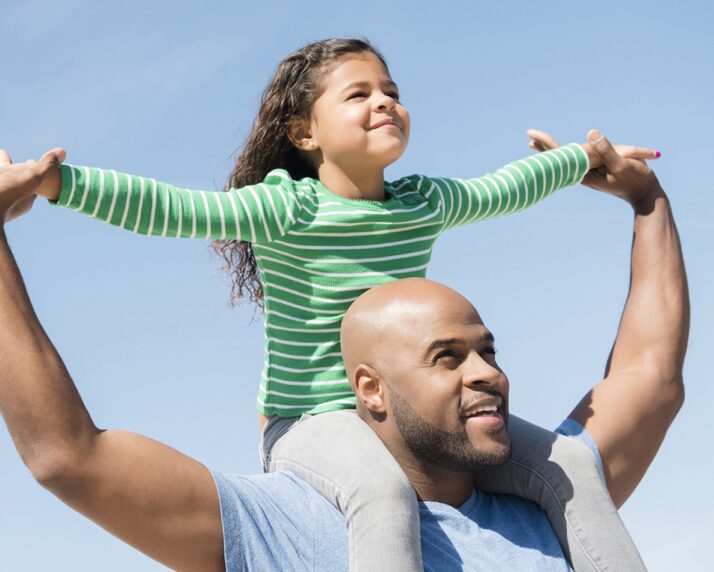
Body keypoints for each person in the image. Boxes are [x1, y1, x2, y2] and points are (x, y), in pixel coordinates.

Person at [28, 38, 658, 571]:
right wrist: (55, 182)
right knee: (382, 494)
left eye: (390, 90)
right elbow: (175, 210)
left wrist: (585, 158)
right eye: (357, 94)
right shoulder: (287, 209)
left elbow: (504, 188)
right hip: (312, 420)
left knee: (570, 463)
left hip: (409, 413)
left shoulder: (422, 203)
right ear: (305, 132)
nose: (384, 100)